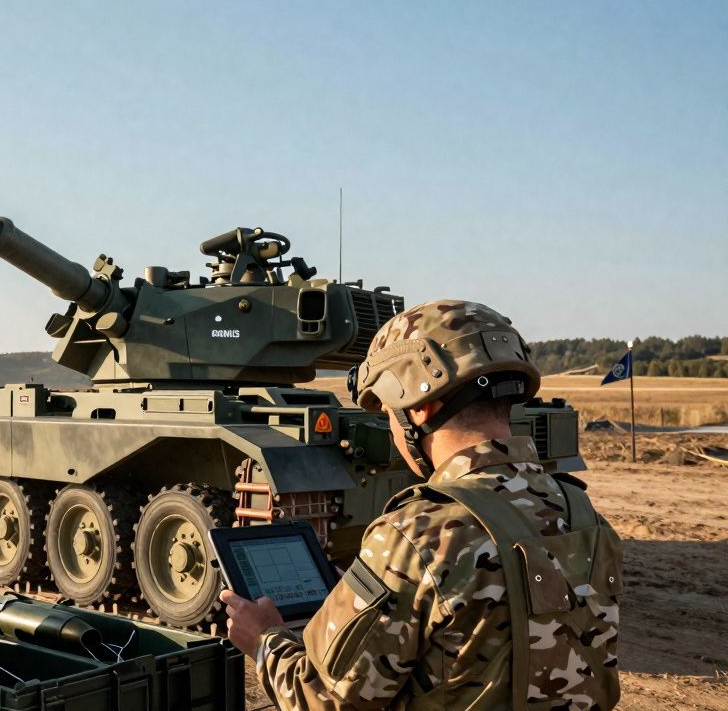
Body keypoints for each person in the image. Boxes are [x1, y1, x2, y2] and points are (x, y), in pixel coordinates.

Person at [221, 300, 622, 710]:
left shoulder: (416, 533)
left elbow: (325, 700)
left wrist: (265, 642)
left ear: (419, 408)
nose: (394, 430)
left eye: (390, 414)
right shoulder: (582, 512)